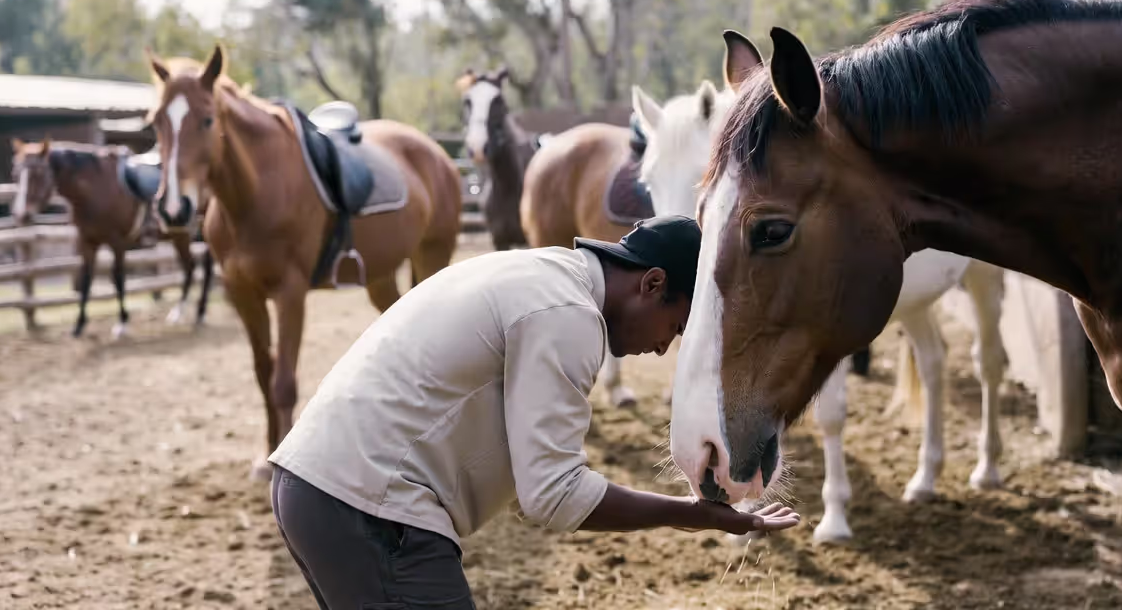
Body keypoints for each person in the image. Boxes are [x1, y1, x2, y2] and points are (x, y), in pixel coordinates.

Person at [267, 215, 801, 610]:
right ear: (652, 284)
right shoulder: (569, 316)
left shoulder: (542, 276)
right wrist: (693, 515)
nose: (664, 349)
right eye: (675, 327)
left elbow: (531, 488)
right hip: (374, 509)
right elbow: (551, 494)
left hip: (321, 490)